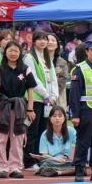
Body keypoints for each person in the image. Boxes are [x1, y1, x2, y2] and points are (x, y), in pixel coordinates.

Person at [0, 40, 38, 179]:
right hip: (3, 106)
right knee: (0, 137)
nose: (13, 53)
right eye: (10, 50)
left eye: (16, 51)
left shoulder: (25, 69)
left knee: (18, 137)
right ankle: (1, 167)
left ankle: (15, 167)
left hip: (20, 107)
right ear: (5, 52)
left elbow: (30, 90)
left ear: (20, 53)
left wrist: (30, 109)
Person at [24, 30, 59, 167]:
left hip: (48, 102)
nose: (43, 41)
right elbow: (33, 79)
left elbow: (53, 79)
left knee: (42, 132)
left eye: (45, 39)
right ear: (34, 42)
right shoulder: (29, 57)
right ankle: (29, 161)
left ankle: (39, 159)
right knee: (32, 131)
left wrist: (54, 95)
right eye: (39, 39)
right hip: (35, 100)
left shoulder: (47, 57)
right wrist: (46, 95)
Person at [33, 105, 76, 177]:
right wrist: (57, 159)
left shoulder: (71, 131)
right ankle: (56, 171)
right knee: (46, 164)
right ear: (50, 118)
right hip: (53, 161)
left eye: (60, 116)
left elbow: (74, 149)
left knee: (79, 165)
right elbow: (44, 155)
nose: (57, 118)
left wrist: (68, 160)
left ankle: (58, 172)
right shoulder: (45, 134)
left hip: (67, 161)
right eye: (54, 116)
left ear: (64, 118)